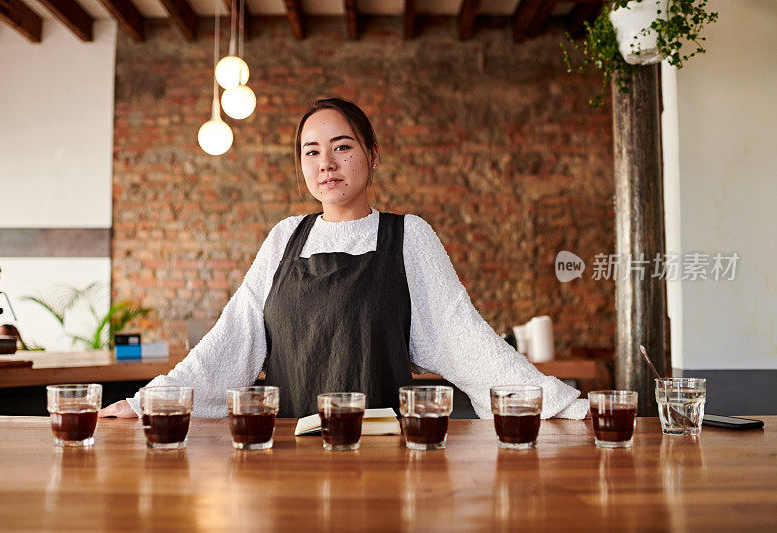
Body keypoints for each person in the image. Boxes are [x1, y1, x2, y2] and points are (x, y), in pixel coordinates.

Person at [100, 97, 588, 420]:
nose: (326, 163)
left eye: (341, 147)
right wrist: (149, 401)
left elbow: (466, 340)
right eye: (311, 152)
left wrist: (559, 404)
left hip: (385, 456)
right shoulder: (283, 239)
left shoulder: (408, 236)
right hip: (289, 455)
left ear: (372, 155)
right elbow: (233, 341)